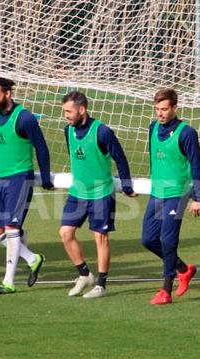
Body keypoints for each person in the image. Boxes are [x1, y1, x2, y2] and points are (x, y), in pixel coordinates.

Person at [60, 91, 135, 299]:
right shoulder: (68, 131)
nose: (66, 115)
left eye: (69, 111)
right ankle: (84, 274)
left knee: (100, 238)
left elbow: (120, 158)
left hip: (101, 193)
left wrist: (127, 186)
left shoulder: (102, 132)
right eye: (64, 111)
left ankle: (101, 284)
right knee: (66, 233)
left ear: (82, 109)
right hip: (77, 193)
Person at [0, 77, 53, 295]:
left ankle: (9, 281)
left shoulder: (24, 118)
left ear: (7, 94)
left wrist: (44, 177)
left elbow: (41, 147)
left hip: (19, 178)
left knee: (11, 228)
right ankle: (33, 259)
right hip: (0, 179)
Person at [142, 88, 200, 305]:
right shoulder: (152, 128)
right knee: (148, 239)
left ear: (175, 108)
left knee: (168, 240)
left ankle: (165, 290)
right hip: (157, 193)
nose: (160, 113)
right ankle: (183, 269)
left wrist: (197, 197)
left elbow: (196, 165)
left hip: (178, 193)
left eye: (165, 109)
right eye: (157, 109)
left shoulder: (186, 133)